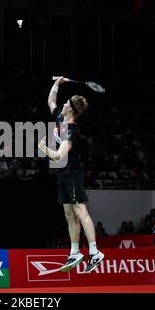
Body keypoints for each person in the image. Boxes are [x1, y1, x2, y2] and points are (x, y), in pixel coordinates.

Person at [38, 76, 104, 274]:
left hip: (72, 173)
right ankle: (75, 252)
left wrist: (43, 148)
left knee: (80, 211)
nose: (64, 103)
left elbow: (59, 155)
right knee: (69, 215)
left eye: (67, 102)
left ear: (71, 110)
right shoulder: (60, 118)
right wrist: (57, 83)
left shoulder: (72, 130)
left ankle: (94, 252)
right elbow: (50, 101)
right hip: (62, 175)